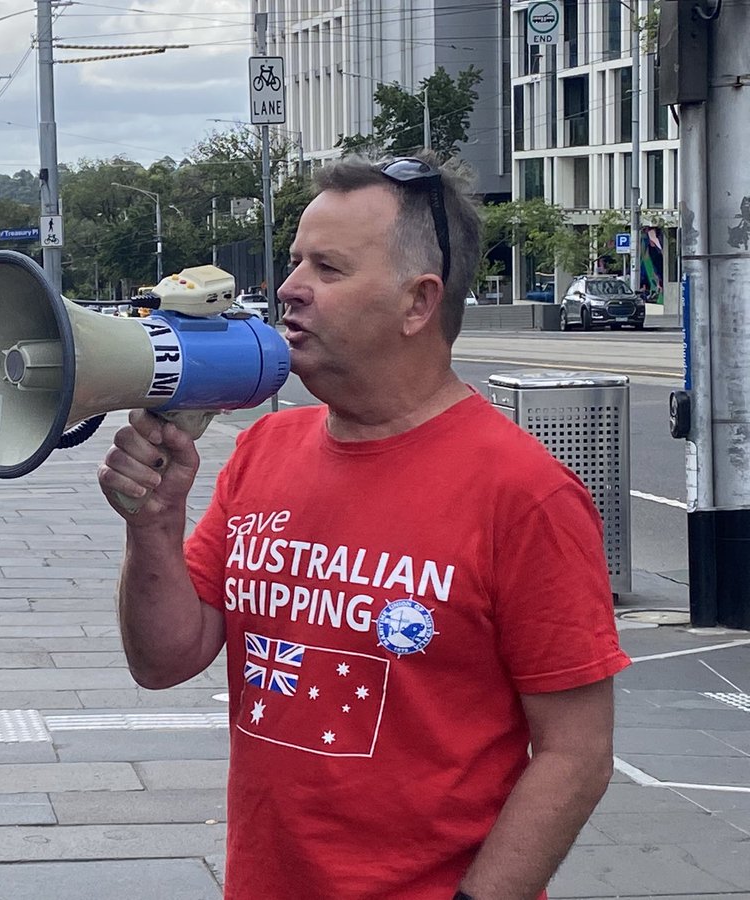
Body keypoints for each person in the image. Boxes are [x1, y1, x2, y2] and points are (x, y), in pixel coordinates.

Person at [97, 155, 630, 900]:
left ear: (418, 303)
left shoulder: (524, 494)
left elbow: (578, 754)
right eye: (294, 262)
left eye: (329, 267)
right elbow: (164, 660)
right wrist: (150, 527)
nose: (289, 289)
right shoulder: (263, 451)